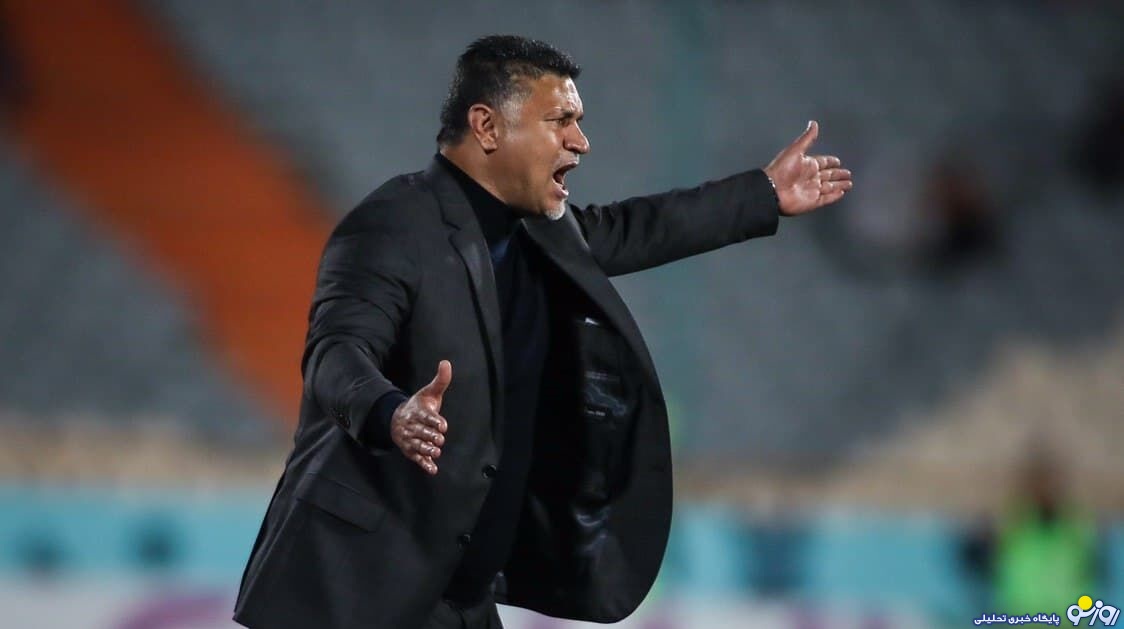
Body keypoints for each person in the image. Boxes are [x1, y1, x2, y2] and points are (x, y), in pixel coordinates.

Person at [233, 35, 851, 629]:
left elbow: (641, 227)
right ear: (487, 126)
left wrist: (765, 193)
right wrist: (390, 411)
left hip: (458, 597)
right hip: (353, 594)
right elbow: (336, 353)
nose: (580, 142)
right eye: (560, 121)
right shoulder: (391, 228)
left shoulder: (539, 230)